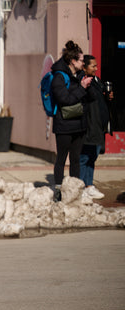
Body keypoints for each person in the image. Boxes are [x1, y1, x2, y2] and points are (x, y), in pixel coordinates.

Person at [51, 40, 92, 202]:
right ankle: (58, 190)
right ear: (72, 61)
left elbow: (88, 99)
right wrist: (81, 88)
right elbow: (65, 100)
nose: (84, 63)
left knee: (76, 158)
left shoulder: (81, 75)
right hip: (64, 124)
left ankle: (74, 189)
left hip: (79, 124)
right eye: (82, 60)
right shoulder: (58, 77)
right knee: (61, 158)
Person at [79, 54, 113, 199]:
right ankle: (81, 187)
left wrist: (108, 96)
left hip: (99, 126)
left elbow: (98, 100)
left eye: (96, 65)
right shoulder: (84, 81)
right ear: (85, 67)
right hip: (90, 125)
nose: (96, 68)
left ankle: (89, 185)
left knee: (93, 156)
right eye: (93, 66)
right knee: (85, 157)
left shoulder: (97, 80)